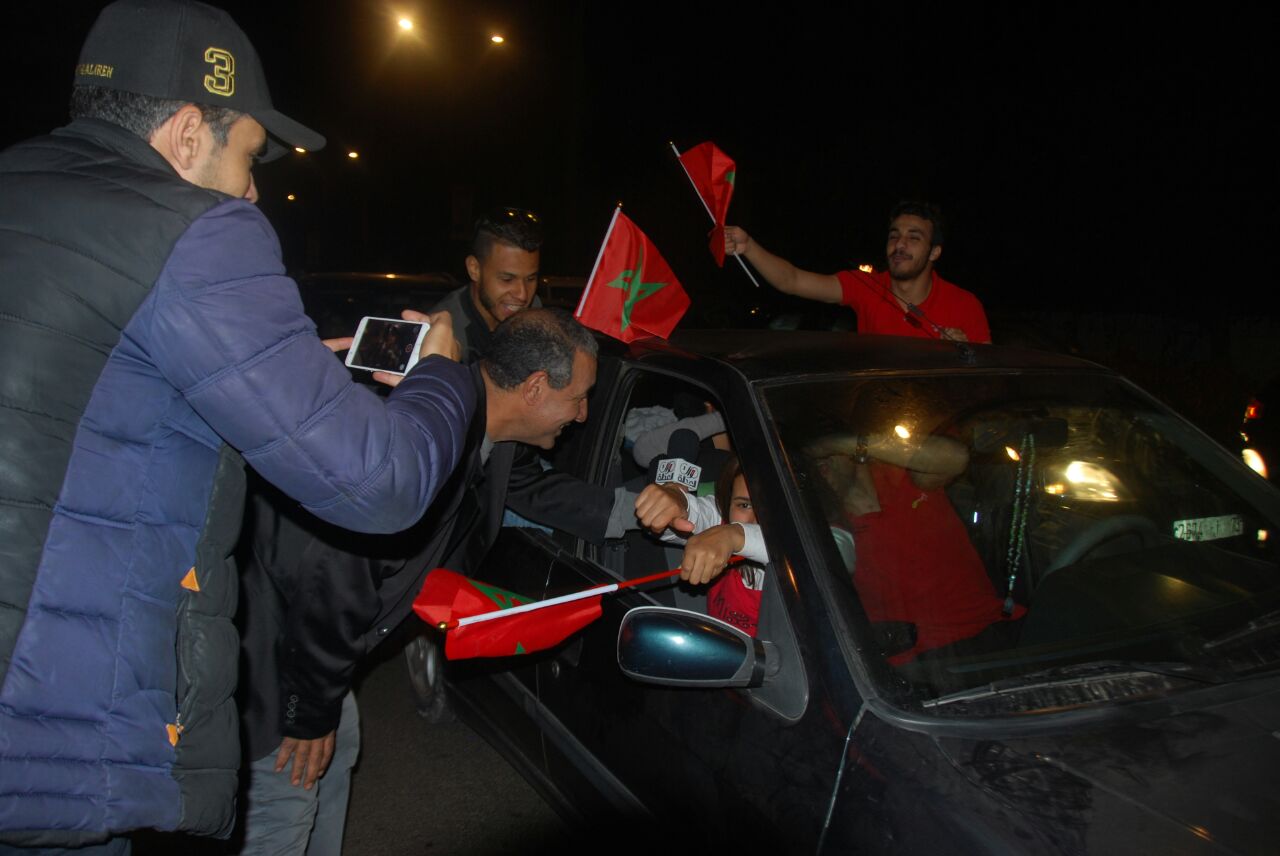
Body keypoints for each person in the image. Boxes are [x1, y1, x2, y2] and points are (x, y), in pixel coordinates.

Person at [0, 1, 476, 849]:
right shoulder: (193, 229)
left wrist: (266, 374)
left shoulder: (21, 187)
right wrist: (443, 374)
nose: (255, 190)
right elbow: (382, 483)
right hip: (46, 728)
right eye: (250, 155)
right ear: (189, 133)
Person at [234, 309, 682, 855]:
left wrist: (647, 511)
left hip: (316, 652)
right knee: (285, 803)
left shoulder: (485, 421)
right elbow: (332, 580)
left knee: (335, 752)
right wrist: (305, 711)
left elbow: (541, 493)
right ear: (535, 388)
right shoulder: (420, 431)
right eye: (580, 398)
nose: (584, 415)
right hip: (271, 651)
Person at [806, 428, 1022, 664]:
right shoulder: (823, 527)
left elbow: (956, 457)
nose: (821, 467)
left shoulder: (908, 477)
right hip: (919, 661)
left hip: (993, 634)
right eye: (813, 463)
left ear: (849, 452)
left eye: (827, 457)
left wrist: (838, 443)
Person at [724, 201, 991, 343]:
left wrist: (965, 352)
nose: (899, 245)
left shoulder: (966, 305)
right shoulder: (867, 286)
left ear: (934, 252)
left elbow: (985, 382)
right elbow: (791, 280)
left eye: (914, 238)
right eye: (894, 236)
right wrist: (748, 246)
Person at [431, 207, 544, 360]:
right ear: (474, 269)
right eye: (507, 279)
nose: (523, 295)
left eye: (530, 279)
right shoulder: (445, 334)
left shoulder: (535, 313)